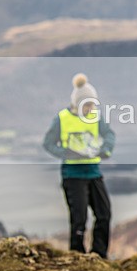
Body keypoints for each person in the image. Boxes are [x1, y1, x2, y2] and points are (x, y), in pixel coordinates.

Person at [43, 73, 115, 258]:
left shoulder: (96, 117)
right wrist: (65, 153)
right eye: (88, 104)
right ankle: (77, 257)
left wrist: (105, 150)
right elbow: (48, 143)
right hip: (73, 175)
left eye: (93, 104)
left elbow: (109, 134)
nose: (91, 108)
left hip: (93, 172)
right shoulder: (62, 118)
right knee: (79, 220)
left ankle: (99, 255)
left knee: (104, 214)